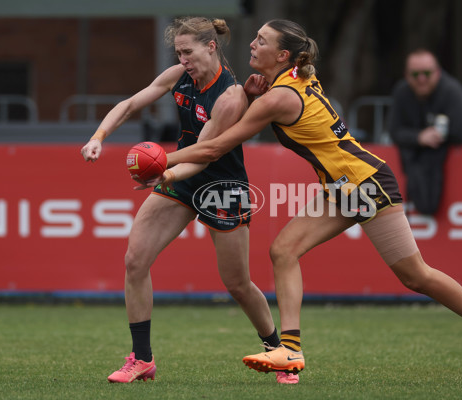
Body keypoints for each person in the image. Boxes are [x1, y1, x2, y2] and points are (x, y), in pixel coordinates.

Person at [143, 19, 462, 384]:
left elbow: (216, 146)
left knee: (415, 275)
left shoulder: (279, 96)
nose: (253, 44)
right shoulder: (292, 78)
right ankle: (290, 349)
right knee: (283, 250)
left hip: (366, 183)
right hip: (342, 188)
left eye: (262, 40)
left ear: (283, 56)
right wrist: (257, 94)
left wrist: (161, 159)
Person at [80, 17, 298, 385]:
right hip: (179, 179)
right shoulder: (179, 76)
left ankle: (280, 353)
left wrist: (162, 171)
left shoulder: (231, 96)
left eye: (188, 52)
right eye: (178, 52)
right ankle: (142, 359)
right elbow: (132, 103)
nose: (182, 59)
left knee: (238, 284)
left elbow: (204, 153)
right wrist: (98, 136)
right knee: (135, 260)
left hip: (221, 185)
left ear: (211, 47)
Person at [387, 49, 462, 215]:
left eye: (427, 73)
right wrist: (419, 137)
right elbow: (394, 130)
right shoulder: (402, 92)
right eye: (415, 74)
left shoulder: (451, 90)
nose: (421, 79)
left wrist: (437, 137)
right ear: (406, 75)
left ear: (437, 72)